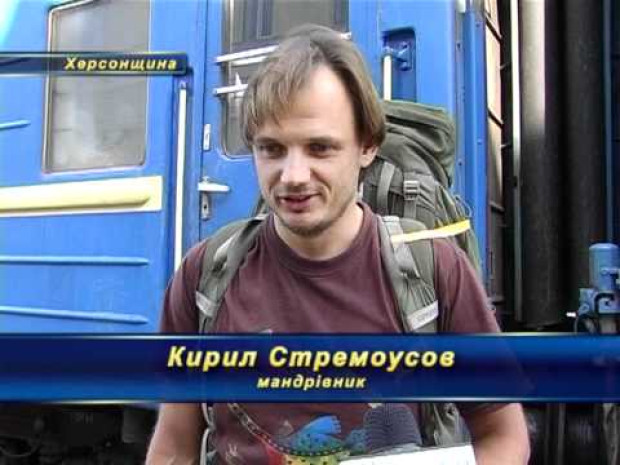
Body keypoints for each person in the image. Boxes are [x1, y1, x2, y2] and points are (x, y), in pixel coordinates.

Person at [146, 24, 530, 465]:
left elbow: (503, 435)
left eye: (320, 148)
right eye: (271, 149)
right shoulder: (205, 275)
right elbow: (174, 443)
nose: (293, 176)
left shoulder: (435, 270)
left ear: (367, 146)